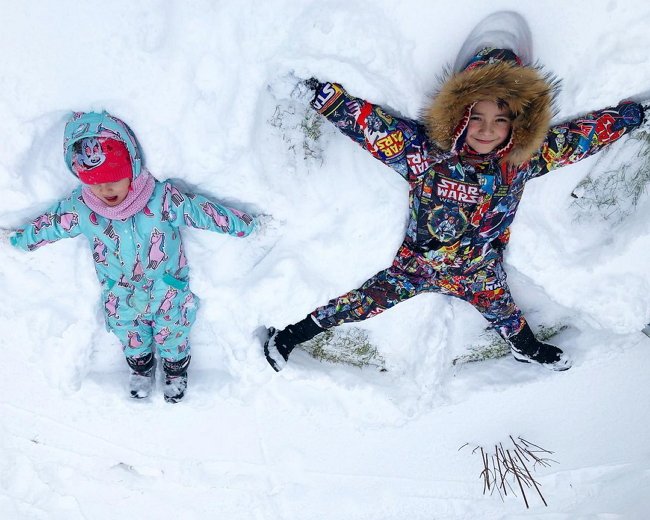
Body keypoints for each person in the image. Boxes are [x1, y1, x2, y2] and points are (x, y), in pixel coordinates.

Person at [263, 45, 649, 373]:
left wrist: (634, 117)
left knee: (509, 319)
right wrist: (319, 96)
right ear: (459, 116)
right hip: (416, 267)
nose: (486, 129)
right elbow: (369, 126)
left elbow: (582, 137)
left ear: (517, 125)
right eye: (475, 117)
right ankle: (292, 335)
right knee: (362, 304)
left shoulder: (523, 160)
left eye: (500, 120)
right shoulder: (425, 155)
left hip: (480, 271)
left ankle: (525, 349)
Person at [2, 111, 256, 402]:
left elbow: (204, 213)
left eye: (112, 179)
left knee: (173, 331)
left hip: (167, 287)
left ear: (131, 166)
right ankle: (141, 365)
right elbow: (51, 225)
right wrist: (18, 240)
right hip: (120, 293)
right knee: (129, 334)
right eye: (93, 181)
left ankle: (175, 368)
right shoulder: (82, 208)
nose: (104, 189)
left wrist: (245, 226)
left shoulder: (162, 198)